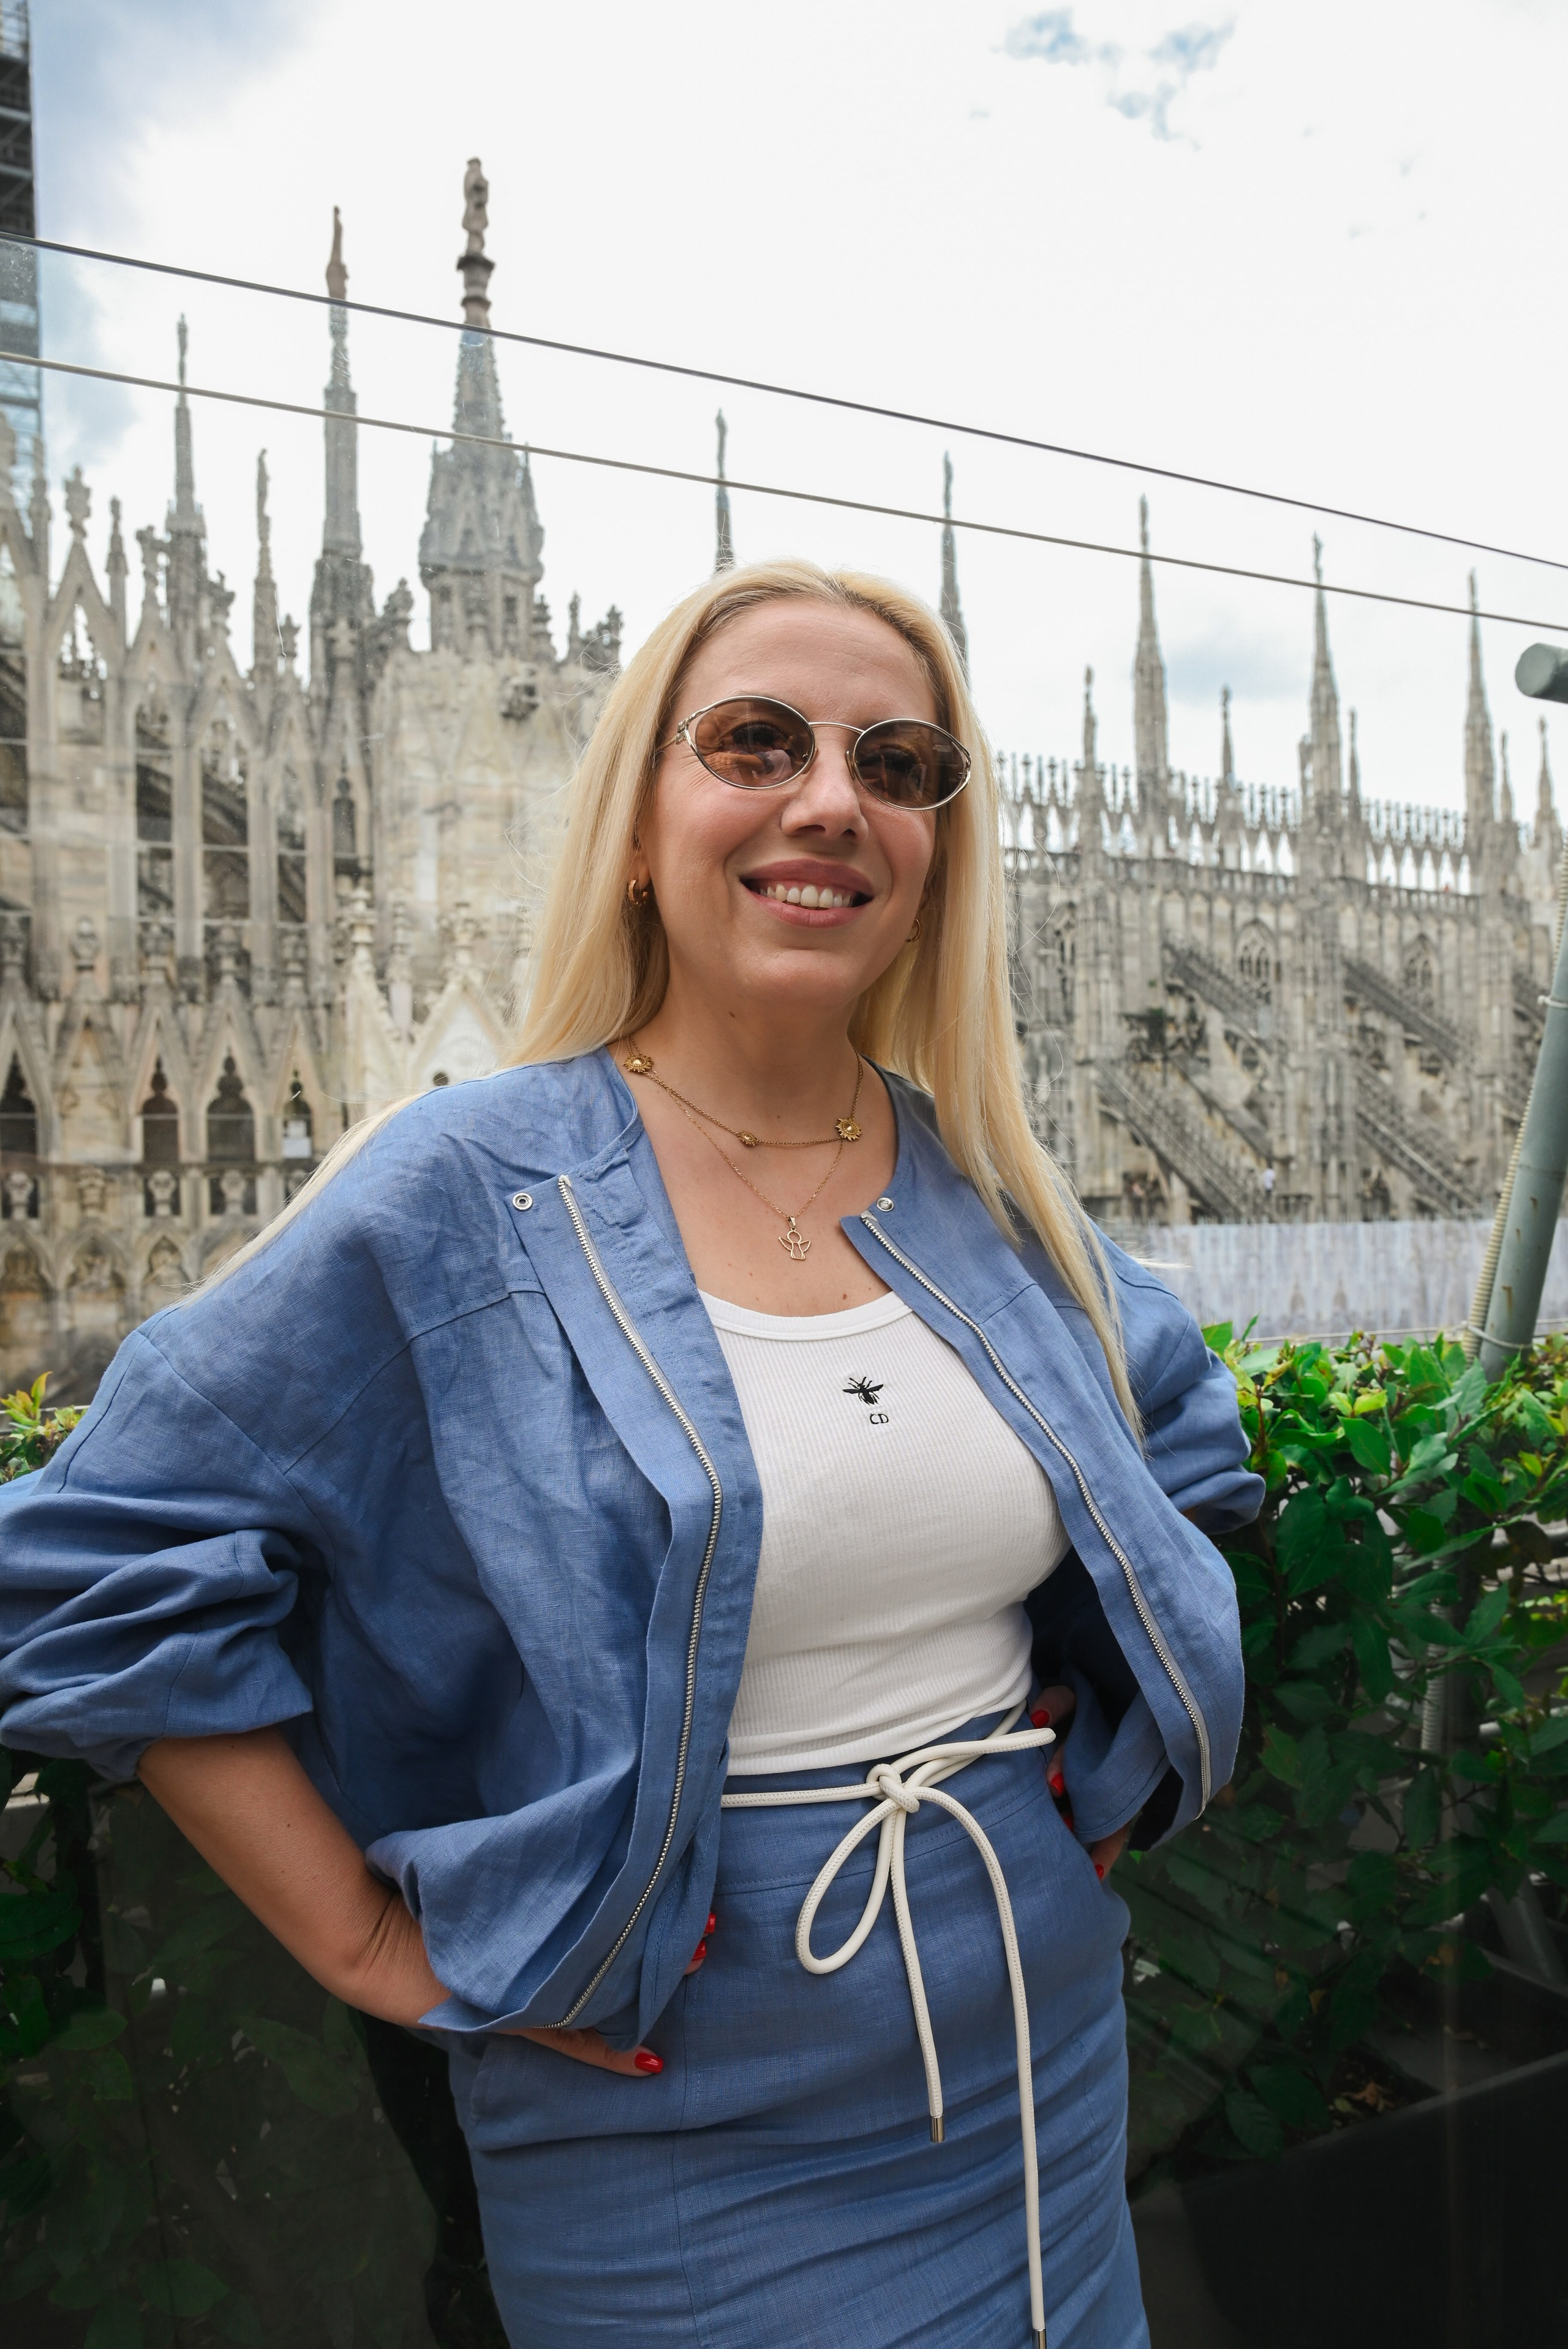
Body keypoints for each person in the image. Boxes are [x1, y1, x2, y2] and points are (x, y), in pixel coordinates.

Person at [0, 559, 1259, 2348]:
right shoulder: (468, 1184)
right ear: (637, 822)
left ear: (940, 850)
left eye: (900, 764)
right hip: (670, 2100)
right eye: (756, 742)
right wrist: (370, 1947)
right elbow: (89, 1565)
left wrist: (1096, 1771)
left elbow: (1182, 1446)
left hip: (1041, 2056)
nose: (834, 799)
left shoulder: (980, 1188)